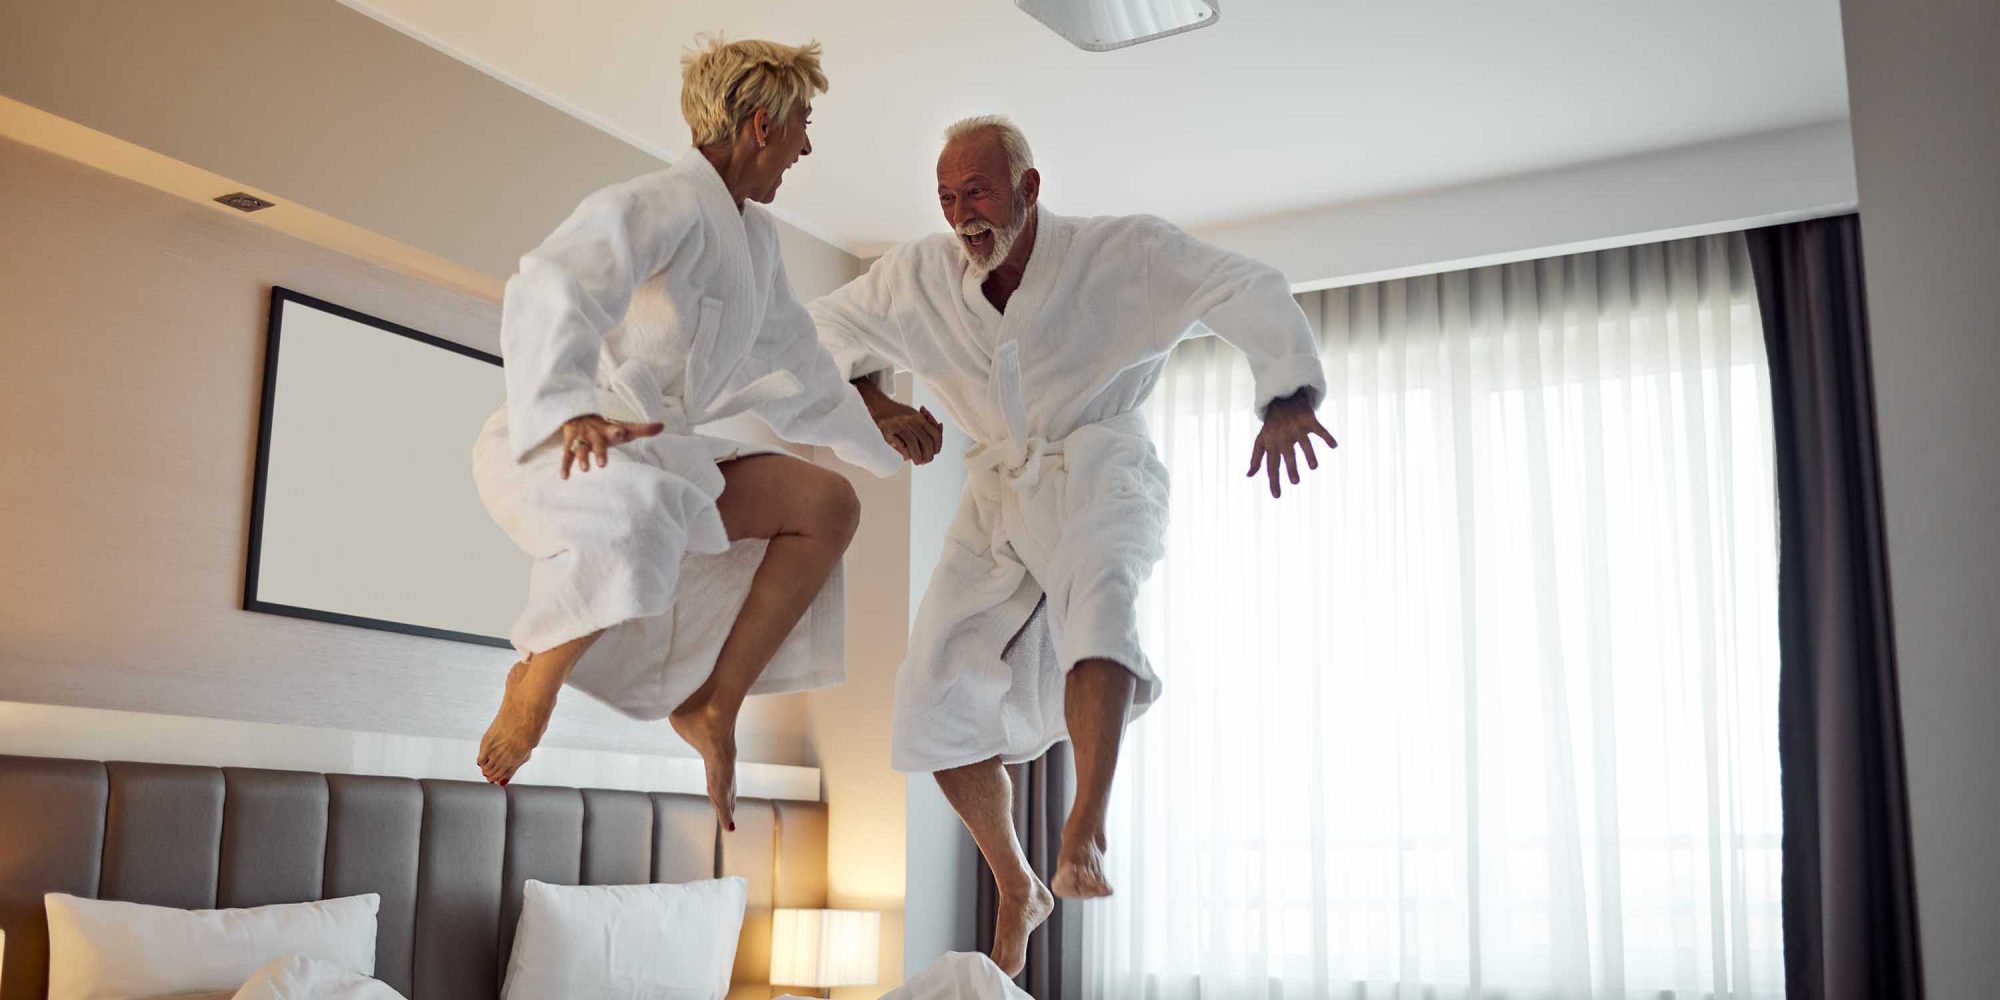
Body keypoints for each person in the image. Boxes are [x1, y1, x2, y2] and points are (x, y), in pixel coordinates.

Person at [812, 115, 1337, 976]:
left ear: (1029, 188)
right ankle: (1017, 882)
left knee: (1102, 600)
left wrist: (1285, 394)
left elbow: (1239, 284)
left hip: (1099, 464)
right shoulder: (919, 278)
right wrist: (879, 406)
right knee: (929, 692)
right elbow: (820, 333)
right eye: (946, 198)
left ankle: (1084, 827)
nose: (961, 216)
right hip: (999, 489)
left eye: (977, 192)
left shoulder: (1119, 255)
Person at [470, 36, 904, 832]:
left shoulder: (758, 243)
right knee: (640, 511)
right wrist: (568, 406)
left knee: (828, 506)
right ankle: (536, 681)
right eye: (802, 124)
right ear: (761, 125)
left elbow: (801, 364)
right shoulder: (658, 203)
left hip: (658, 442)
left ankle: (713, 703)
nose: (806, 146)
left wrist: (878, 424)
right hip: (567, 439)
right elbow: (555, 282)